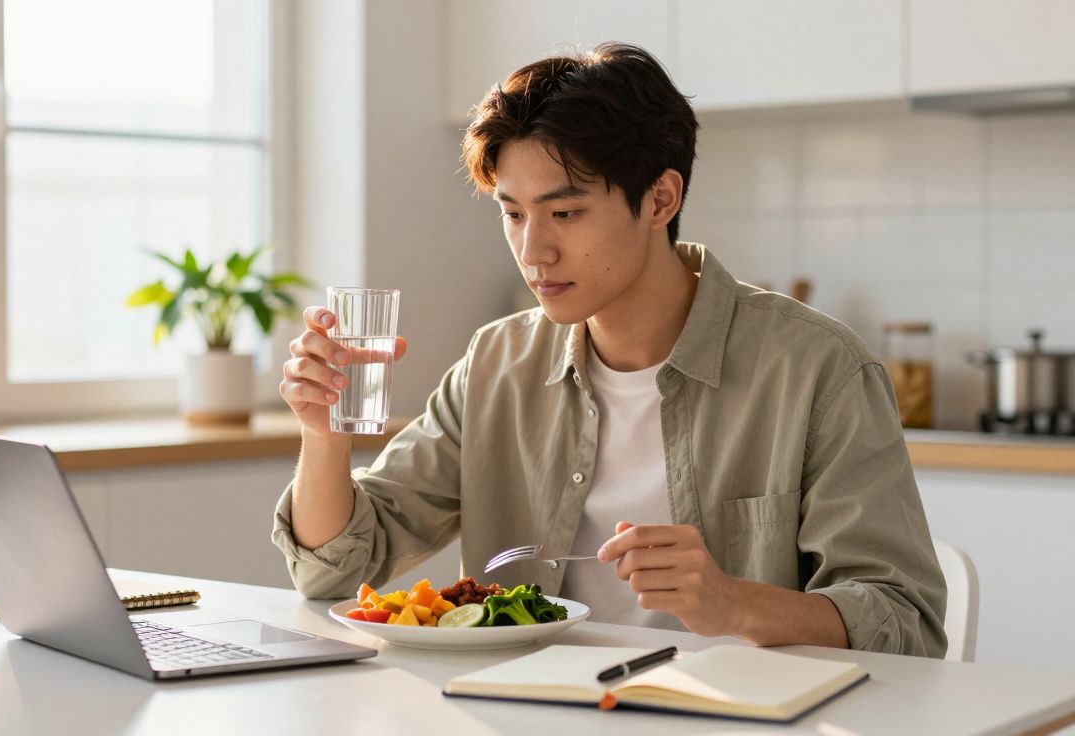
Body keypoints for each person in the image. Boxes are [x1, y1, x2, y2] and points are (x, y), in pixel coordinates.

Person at [271, 42, 947, 657]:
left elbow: (905, 622)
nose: (533, 251)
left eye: (565, 213)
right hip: (526, 711)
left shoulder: (818, 369)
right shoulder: (497, 363)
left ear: (660, 200)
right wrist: (323, 434)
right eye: (513, 214)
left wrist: (735, 602)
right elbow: (335, 571)